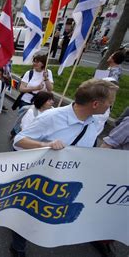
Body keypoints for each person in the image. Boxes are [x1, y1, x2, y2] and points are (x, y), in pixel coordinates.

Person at [11, 79, 118, 257]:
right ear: (95, 104)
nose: (111, 105)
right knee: (28, 214)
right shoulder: (51, 117)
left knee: (47, 213)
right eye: (109, 102)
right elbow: (19, 140)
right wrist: (45, 144)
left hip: (65, 183)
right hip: (39, 180)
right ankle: (18, 245)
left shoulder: (93, 122)